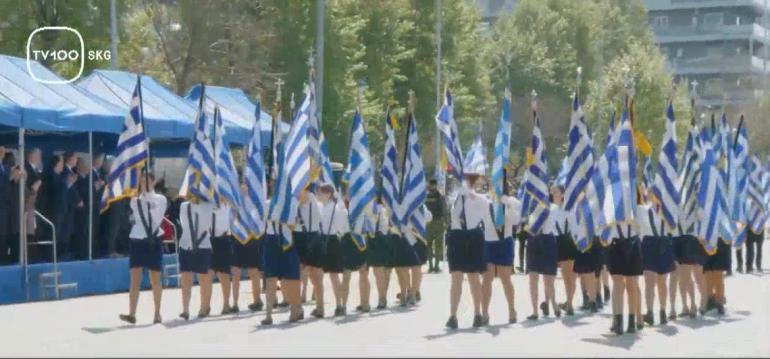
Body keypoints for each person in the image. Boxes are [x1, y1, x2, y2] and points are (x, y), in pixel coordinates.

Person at [119, 171, 168, 324]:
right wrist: (143, 200)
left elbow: (156, 218)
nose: (144, 184)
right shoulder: (135, 200)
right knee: (135, 278)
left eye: (147, 181)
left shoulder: (161, 199)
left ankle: (157, 313)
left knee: (155, 278)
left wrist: (147, 202)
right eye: (142, 181)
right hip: (137, 239)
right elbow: (140, 218)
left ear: (153, 182)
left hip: (153, 238)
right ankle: (132, 313)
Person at [445, 171, 491, 329]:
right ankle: (453, 316)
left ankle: (477, 313)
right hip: (457, 237)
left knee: (473, 278)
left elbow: (486, 219)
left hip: (473, 237)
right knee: (456, 278)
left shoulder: (481, 199)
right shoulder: (456, 198)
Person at [481, 184, 521, 325]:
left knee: (506, 278)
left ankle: (511, 310)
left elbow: (516, 220)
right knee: (487, 279)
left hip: (505, 241)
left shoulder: (512, 201)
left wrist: (507, 203)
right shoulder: (486, 201)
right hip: (490, 242)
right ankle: (484, 312)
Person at [526, 186, 565, 321]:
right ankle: (535, 310)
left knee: (548, 280)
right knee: (533, 278)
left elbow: (552, 215)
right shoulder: (530, 207)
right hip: (533, 240)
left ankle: (553, 304)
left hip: (547, 241)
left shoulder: (552, 208)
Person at [261, 201, 302, 325]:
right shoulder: (267, 203)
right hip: (271, 239)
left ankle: (294, 309)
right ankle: (268, 314)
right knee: (270, 277)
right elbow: (262, 222)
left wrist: (286, 219)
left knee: (290, 278)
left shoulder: (292, 203)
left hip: (287, 239)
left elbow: (296, 225)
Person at [638, 192, 675, 326]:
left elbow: (673, 227)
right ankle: (649, 312)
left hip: (663, 243)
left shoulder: (668, 212)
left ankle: (663, 311)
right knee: (649, 281)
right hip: (649, 244)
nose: (654, 196)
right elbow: (639, 228)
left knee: (662, 281)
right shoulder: (643, 210)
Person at [177, 197, 214, 320]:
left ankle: (204, 307)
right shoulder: (184, 206)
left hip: (202, 243)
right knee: (186, 278)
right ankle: (185, 309)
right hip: (186, 244)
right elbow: (184, 224)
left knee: (203, 278)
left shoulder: (208, 205)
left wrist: (199, 204)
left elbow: (205, 224)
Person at [607, 213, 643, 335]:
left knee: (631, 284)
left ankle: (631, 322)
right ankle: (619, 321)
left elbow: (640, 227)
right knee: (618, 284)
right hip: (615, 244)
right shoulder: (610, 201)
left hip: (632, 243)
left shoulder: (634, 203)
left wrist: (632, 220)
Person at [231, 184, 264, 313]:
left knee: (253, 271)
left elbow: (257, 218)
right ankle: (234, 303)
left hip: (251, 237)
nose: (243, 190)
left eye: (245, 188)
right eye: (241, 187)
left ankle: (257, 300)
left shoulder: (254, 202)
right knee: (235, 271)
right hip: (237, 237)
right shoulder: (234, 201)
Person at [317, 183, 349, 316]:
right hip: (330, 240)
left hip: (329, 241)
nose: (318, 195)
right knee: (328, 276)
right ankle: (335, 305)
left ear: (328, 194)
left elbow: (341, 227)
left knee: (331, 275)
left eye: (320, 193)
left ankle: (336, 305)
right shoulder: (333, 208)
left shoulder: (332, 208)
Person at [340, 187, 371, 313]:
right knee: (346, 275)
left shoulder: (363, 208)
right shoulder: (342, 208)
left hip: (359, 241)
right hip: (348, 241)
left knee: (363, 273)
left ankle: (365, 303)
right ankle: (343, 305)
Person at [293, 186, 323, 317]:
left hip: (303, 238)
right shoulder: (316, 201)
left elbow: (291, 222)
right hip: (314, 237)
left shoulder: (303, 200)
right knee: (315, 275)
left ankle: (299, 308)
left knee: (301, 274)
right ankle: (319, 307)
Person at [553, 185, 579, 316]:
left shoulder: (568, 210)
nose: (554, 194)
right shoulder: (553, 209)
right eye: (553, 193)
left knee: (569, 277)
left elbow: (574, 228)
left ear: (563, 195)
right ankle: (569, 303)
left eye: (556, 192)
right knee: (566, 277)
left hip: (567, 242)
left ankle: (569, 303)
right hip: (557, 242)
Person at [367, 197, 394, 309]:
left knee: (379, 271)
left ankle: (382, 297)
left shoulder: (376, 209)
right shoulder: (388, 208)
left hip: (378, 240)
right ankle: (383, 296)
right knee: (385, 271)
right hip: (388, 238)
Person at [210, 202, 235, 314]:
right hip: (208, 239)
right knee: (207, 274)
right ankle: (205, 305)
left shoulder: (227, 201)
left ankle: (226, 304)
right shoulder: (206, 200)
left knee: (224, 274)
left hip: (224, 238)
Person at [425, 179, 446, 273]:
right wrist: (446, 222)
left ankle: (430, 266)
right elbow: (444, 210)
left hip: (428, 223)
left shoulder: (426, 196)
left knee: (429, 244)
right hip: (438, 222)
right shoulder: (440, 196)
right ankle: (436, 266)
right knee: (438, 245)